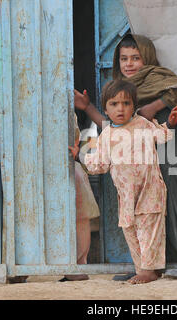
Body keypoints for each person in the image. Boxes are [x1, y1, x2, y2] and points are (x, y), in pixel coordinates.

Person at [75, 34, 177, 280]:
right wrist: (88, 108)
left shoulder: (158, 78)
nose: (129, 64)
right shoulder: (123, 89)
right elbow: (113, 127)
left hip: (171, 144)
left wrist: (155, 106)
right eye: (123, 58)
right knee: (147, 214)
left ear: (147, 58)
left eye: (136, 58)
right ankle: (152, 266)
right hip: (143, 158)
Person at [70, 79, 177, 284]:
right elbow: (98, 165)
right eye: (114, 104)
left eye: (126, 103)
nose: (120, 109)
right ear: (106, 109)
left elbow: (162, 135)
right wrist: (79, 156)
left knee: (150, 231)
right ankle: (143, 269)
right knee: (131, 231)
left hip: (150, 189)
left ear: (134, 106)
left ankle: (148, 271)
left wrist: (171, 123)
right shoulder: (107, 135)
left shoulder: (143, 125)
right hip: (127, 195)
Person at [60, 114, 101, 282]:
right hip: (67, 165)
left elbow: (75, 136)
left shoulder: (65, 107)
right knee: (80, 219)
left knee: (80, 218)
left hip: (70, 164)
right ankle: (77, 265)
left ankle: (78, 265)